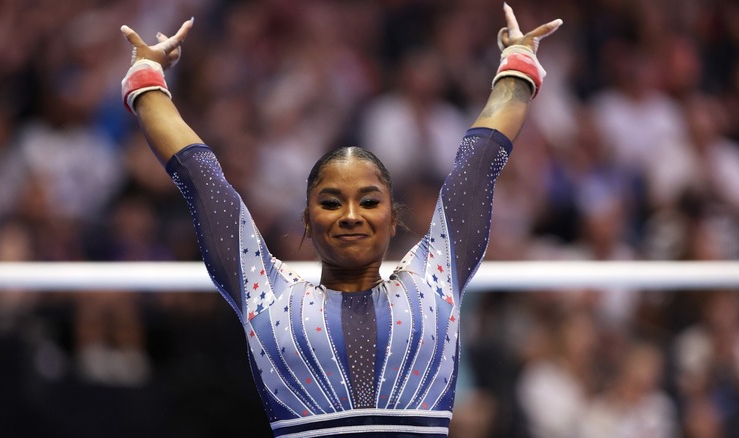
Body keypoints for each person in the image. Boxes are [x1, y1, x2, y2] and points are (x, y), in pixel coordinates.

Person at [120, 4, 562, 437]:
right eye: (331, 203)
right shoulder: (267, 298)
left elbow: (480, 162)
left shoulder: (435, 283)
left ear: (393, 221)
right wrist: (146, 77)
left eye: (369, 202)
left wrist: (518, 65)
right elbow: (200, 179)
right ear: (308, 222)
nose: (351, 215)